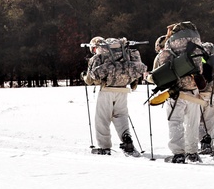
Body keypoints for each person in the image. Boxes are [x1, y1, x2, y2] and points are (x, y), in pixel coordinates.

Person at [152, 22, 207, 164]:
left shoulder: (168, 49)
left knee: (175, 121)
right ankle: (192, 152)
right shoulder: (196, 44)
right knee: (193, 123)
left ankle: (178, 154)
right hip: (194, 90)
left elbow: (160, 72)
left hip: (176, 92)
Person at [82, 36, 147, 156]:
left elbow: (91, 79)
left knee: (102, 119)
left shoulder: (99, 57)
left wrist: (84, 77)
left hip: (106, 90)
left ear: (96, 47)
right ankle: (127, 140)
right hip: (122, 90)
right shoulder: (122, 53)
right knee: (121, 116)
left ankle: (104, 147)